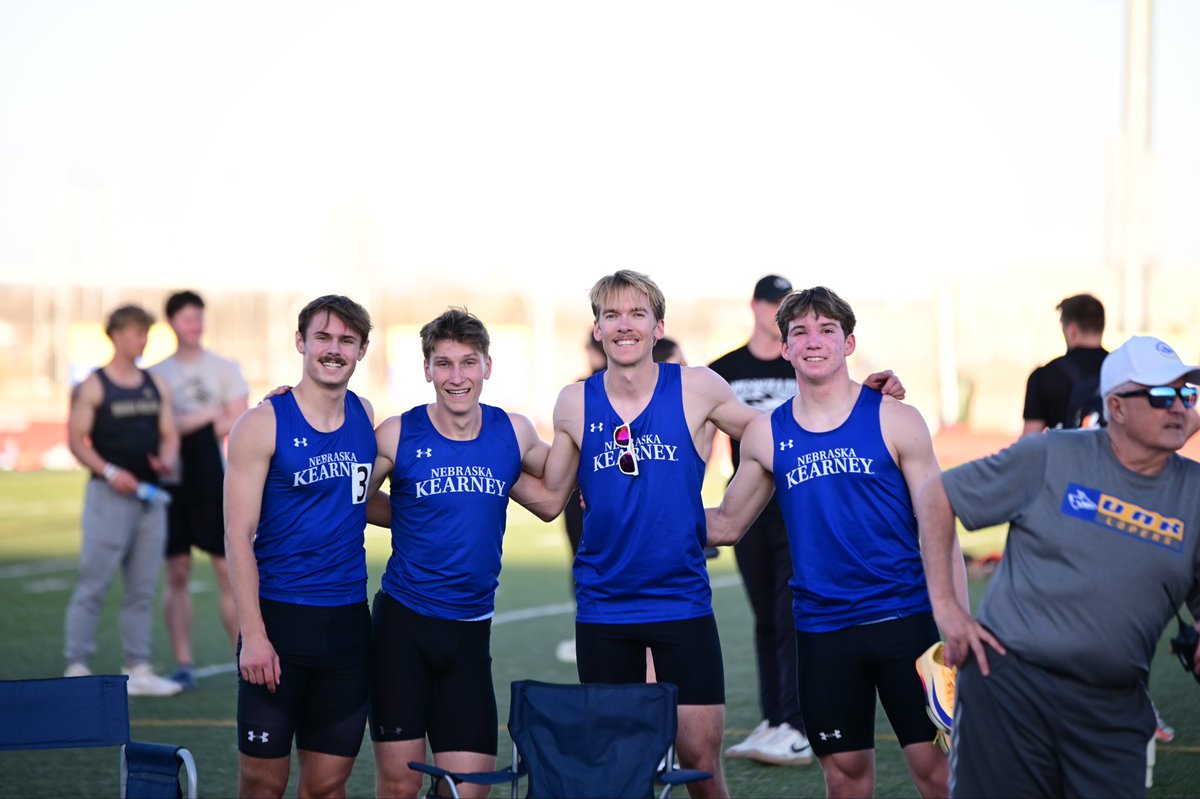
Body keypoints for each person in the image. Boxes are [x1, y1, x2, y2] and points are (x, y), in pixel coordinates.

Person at [540, 272, 903, 799]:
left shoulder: (698, 387)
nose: (625, 326)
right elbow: (551, 495)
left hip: (682, 603)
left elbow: (774, 433)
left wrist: (852, 403)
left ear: (657, 325)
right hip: (604, 608)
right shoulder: (573, 403)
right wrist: (479, 452)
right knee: (617, 767)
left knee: (701, 763)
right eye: (612, 316)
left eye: (637, 314)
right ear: (597, 328)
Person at [916, 335, 1200, 799]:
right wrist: (947, 608)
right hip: (1010, 691)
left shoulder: (1195, 493)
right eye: (1161, 395)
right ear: (1117, 407)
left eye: (1186, 395)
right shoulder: (1050, 455)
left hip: (1114, 706)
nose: (1179, 408)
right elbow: (937, 495)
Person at [706, 286, 960, 799]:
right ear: (784, 348)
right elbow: (726, 524)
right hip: (823, 633)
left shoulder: (896, 419)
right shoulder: (765, 436)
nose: (813, 341)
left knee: (937, 774)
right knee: (844, 778)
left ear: (848, 343)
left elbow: (939, 525)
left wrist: (956, 619)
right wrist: (635, 509)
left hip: (905, 626)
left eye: (827, 330)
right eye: (799, 332)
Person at [363, 308, 554, 799]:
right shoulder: (397, 433)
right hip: (402, 630)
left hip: (470, 634)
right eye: (443, 364)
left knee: (468, 791)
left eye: (467, 363)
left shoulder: (512, 432)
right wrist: (414, 514)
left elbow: (553, 498)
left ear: (487, 366)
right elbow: (352, 499)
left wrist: (599, 426)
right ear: (426, 369)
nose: (456, 377)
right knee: (400, 786)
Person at [223, 295, 378, 798]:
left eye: (346, 341)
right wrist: (254, 635)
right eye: (324, 338)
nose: (334, 350)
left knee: (328, 787)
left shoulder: (364, 414)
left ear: (361, 350)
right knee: (262, 783)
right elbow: (237, 536)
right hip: (280, 623)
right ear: (301, 343)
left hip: (349, 627)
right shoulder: (262, 423)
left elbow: (361, 500)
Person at [708, 274, 811, 766]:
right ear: (754, 305)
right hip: (745, 504)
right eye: (770, 303)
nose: (776, 312)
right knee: (765, 619)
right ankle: (773, 719)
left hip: (797, 503)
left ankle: (797, 725)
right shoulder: (724, 369)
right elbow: (702, 441)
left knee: (792, 614)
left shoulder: (804, 364)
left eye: (784, 306)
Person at [63, 304, 182, 696]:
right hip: (108, 496)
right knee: (94, 582)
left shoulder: (154, 383)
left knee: (143, 587)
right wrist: (111, 472)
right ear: (114, 334)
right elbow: (76, 441)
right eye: (135, 332)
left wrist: (166, 458)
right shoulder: (95, 385)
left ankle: (138, 667)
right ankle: (77, 664)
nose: (142, 339)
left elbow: (168, 432)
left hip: (150, 498)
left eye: (145, 333)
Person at [150, 290, 249, 690]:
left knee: (228, 570)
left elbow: (239, 420)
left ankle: (242, 655)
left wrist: (185, 420)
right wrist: (209, 414)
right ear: (172, 322)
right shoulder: (157, 373)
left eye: (199, 318)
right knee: (177, 571)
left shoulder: (225, 368)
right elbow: (160, 429)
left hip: (212, 477)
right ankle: (183, 662)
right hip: (173, 479)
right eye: (188, 318)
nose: (195, 325)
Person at [555, 335, 606, 665]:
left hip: (606, 493)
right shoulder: (579, 391)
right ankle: (586, 626)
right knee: (583, 562)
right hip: (579, 493)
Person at [1022, 293, 1107, 433]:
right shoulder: (1122, 371)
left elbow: (1029, 443)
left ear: (1072, 330)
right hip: (1110, 455)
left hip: (1064, 454)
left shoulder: (1045, 375)